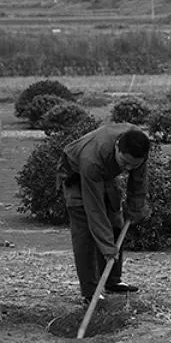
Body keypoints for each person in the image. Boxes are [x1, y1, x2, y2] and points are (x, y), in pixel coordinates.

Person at [57, 123, 150, 304]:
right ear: (117, 147)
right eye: (125, 163)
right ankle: (91, 291)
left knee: (116, 220)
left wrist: (135, 207)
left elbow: (139, 179)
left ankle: (111, 280)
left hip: (105, 173)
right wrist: (107, 246)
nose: (129, 169)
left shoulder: (139, 145)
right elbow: (94, 208)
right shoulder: (91, 159)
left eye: (133, 165)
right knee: (85, 229)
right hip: (75, 173)